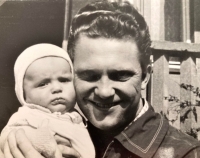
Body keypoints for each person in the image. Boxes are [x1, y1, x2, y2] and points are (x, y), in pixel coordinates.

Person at [1, 0, 200, 158]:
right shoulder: (59, 132)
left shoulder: (183, 154)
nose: (104, 91)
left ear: (145, 76)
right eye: (90, 76)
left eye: (120, 75)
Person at [0, 43, 95, 158]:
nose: (57, 88)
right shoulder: (27, 115)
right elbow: (7, 136)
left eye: (64, 80)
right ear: (23, 94)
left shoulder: (76, 116)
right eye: (43, 84)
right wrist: (39, 140)